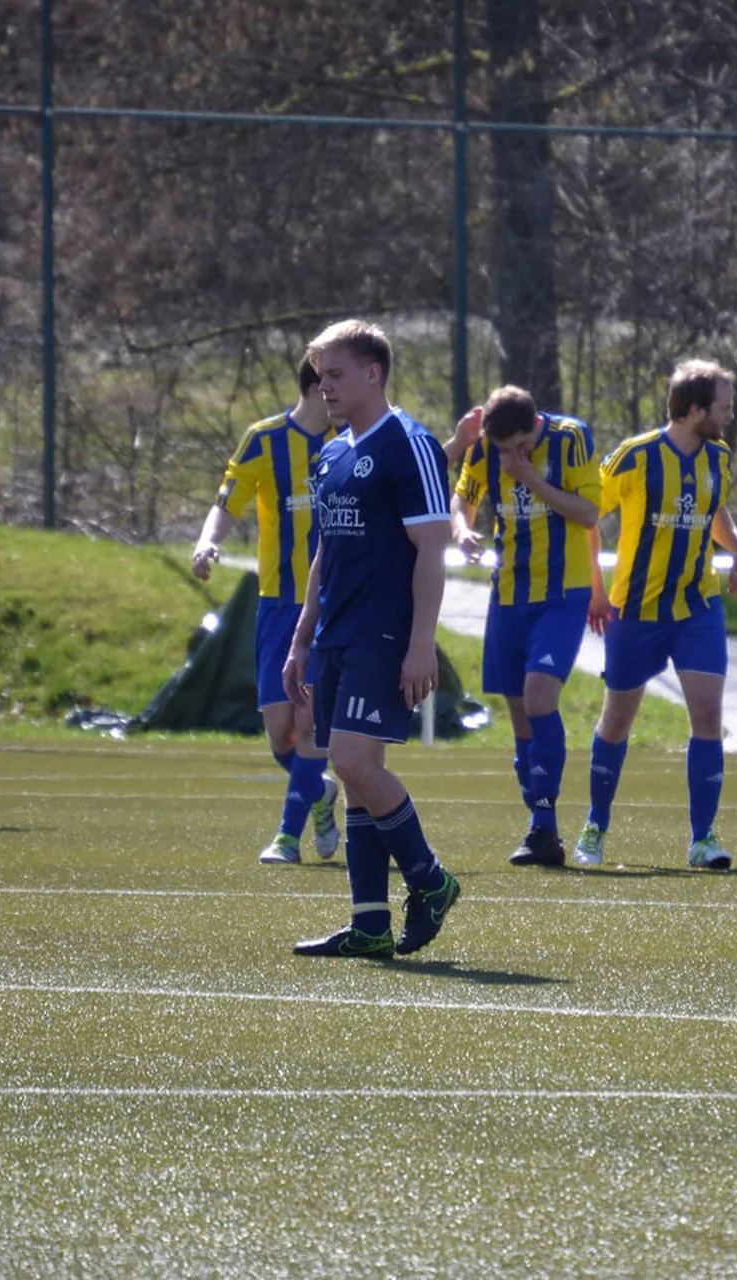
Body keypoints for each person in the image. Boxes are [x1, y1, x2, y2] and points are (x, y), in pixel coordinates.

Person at [285, 320, 461, 958]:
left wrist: (421, 643)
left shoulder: (410, 444)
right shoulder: (333, 453)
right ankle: (369, 923)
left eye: (335, 375)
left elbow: (431, 550)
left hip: (383, 633)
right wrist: (302, 636)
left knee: (353, 763)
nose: (324, 388)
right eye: (319, 377)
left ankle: (430, 879)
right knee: (358, 772)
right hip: (336, 633)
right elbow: (325, 552)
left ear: (373, 372)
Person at [572, 359, 737, 871]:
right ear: (695, 410)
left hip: (698, 605)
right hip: (636, 609)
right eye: (724, 407)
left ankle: (703, 838)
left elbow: (712, 511)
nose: (730, 415)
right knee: (617, 720)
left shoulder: (718, 456)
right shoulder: (636, 456)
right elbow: (587, 515)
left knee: (708, 714)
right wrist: (596, 590)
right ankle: (595, 825)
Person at [192, 356, 340, 866]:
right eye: (333, 381)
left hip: (331, 605)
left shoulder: (350, 438)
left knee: (310, 720)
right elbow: (227, 501)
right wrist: (208, 542)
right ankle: (319, 791)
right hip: (279, 603)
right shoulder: (264, 439)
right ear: (317, 387)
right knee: (281, 733)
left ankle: (287, 838)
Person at [450, 385, 608, 867]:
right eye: (503, 450)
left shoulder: (570, 438)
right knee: (520, 714)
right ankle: (543, 825)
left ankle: (542, 822)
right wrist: (462, 530)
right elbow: (463, 499)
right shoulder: (486, 447)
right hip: (509, 593)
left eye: (520, 446)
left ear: (534, 426)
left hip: (562, 594)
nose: (511, 456)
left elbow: (588, 513)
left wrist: (530, 479)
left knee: (540, 699)